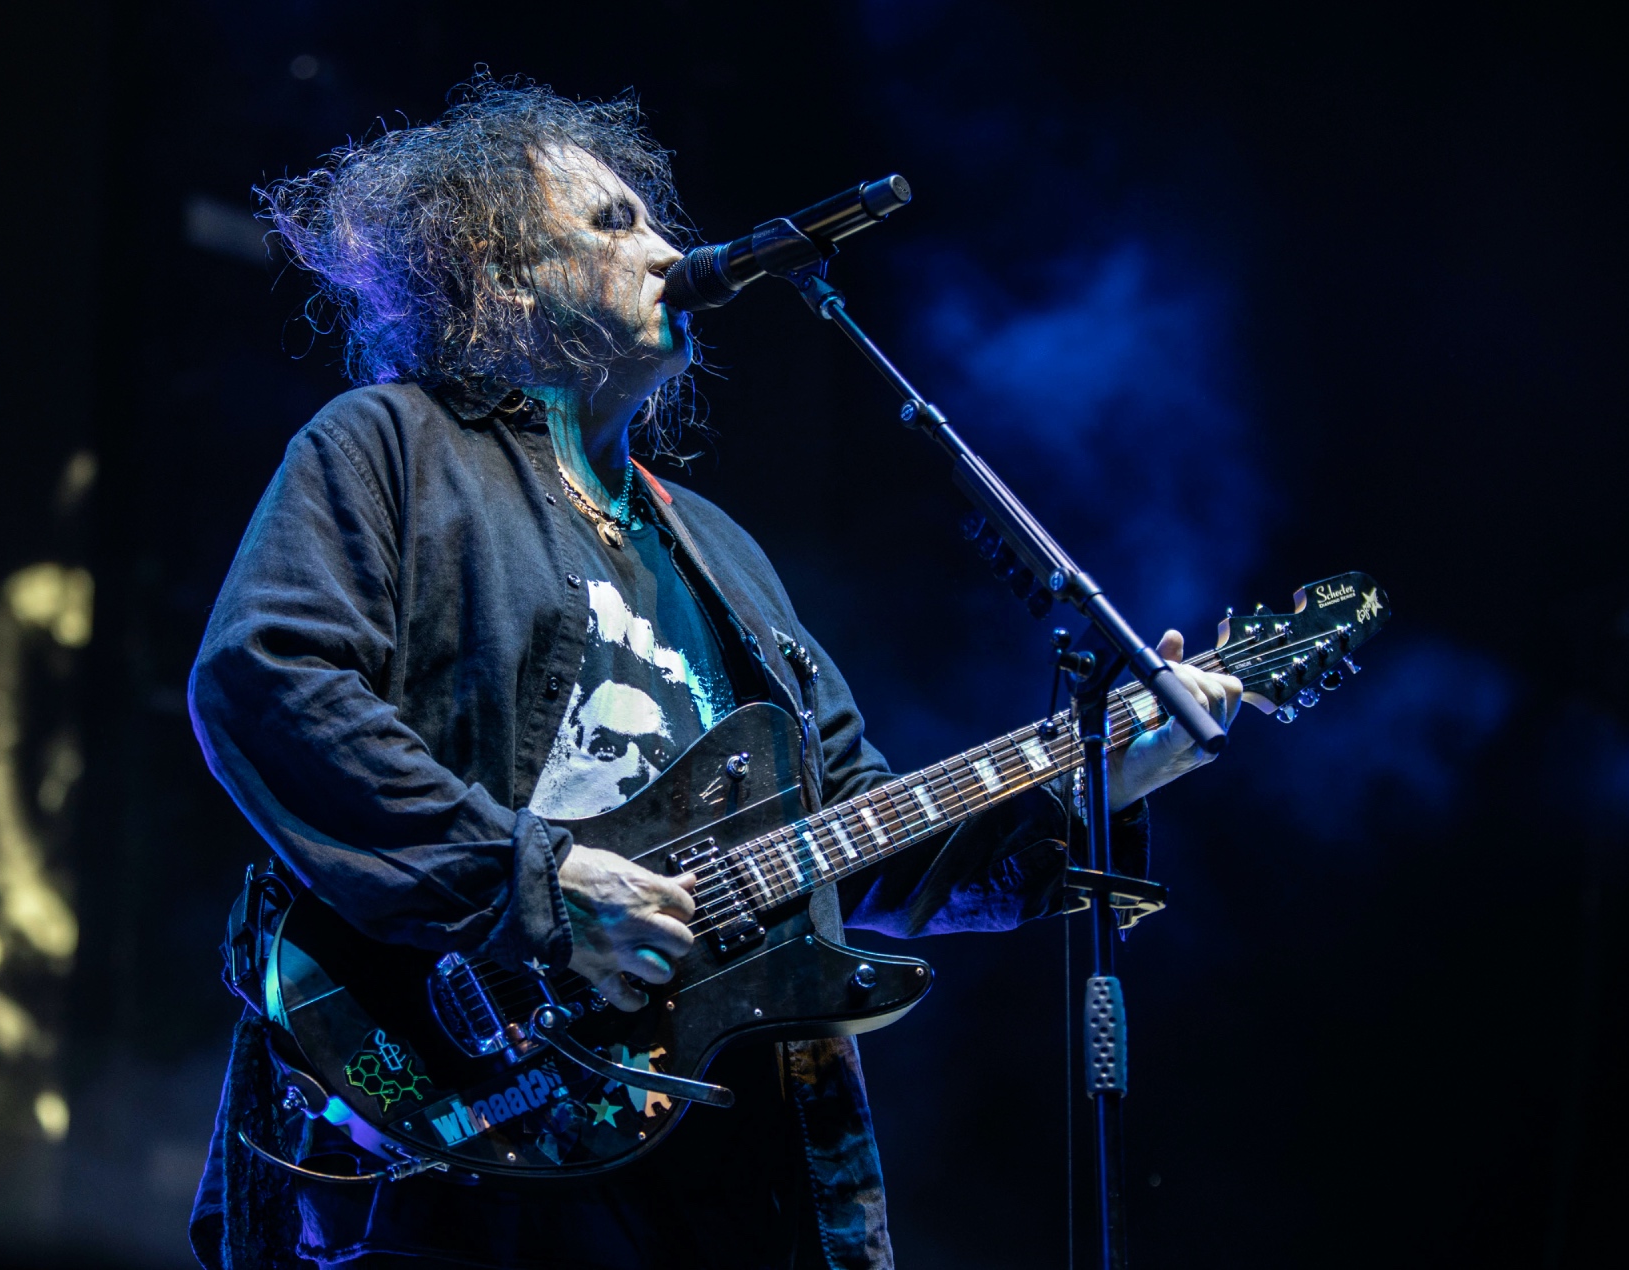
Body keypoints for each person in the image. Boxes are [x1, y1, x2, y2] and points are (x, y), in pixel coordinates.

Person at [186, 77, 1240, 1270]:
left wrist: (1111, 769)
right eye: (614, 222)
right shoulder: (392, 447)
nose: (669, 249)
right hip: (446, 1120)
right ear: (502, 273)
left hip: (708, 1172)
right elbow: (268, 681)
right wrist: (530, 880)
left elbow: (864, 845)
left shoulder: (720, 553)